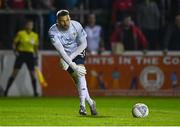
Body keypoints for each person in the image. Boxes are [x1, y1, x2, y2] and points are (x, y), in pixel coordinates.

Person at [48, 10, 97, 116]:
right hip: (66, 56)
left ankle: (82, 106)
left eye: (67, 20)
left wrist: (73, 63)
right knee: (78, 82)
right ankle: (91, 102)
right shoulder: (53, 32)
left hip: (78, 51)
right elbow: (61, 51)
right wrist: (71, 63)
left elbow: (84, 44)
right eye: (62, 21)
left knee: (81, 75)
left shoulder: (76, 25)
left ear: (69, 18)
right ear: (57, 21)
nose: (65, 23)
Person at [4, 19, 39, 97]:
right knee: (15, 73)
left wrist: (36, 56)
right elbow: (14, 43)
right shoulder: (21, 33)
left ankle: (35, 92)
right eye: (29, 24)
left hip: (30, 55)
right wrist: (15, 51)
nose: (30, 26)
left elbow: (36, 47)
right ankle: (6, 91)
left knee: (32, 74)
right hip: (22, 54)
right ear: (25, 25)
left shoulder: (35, 35)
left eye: (31, 25)